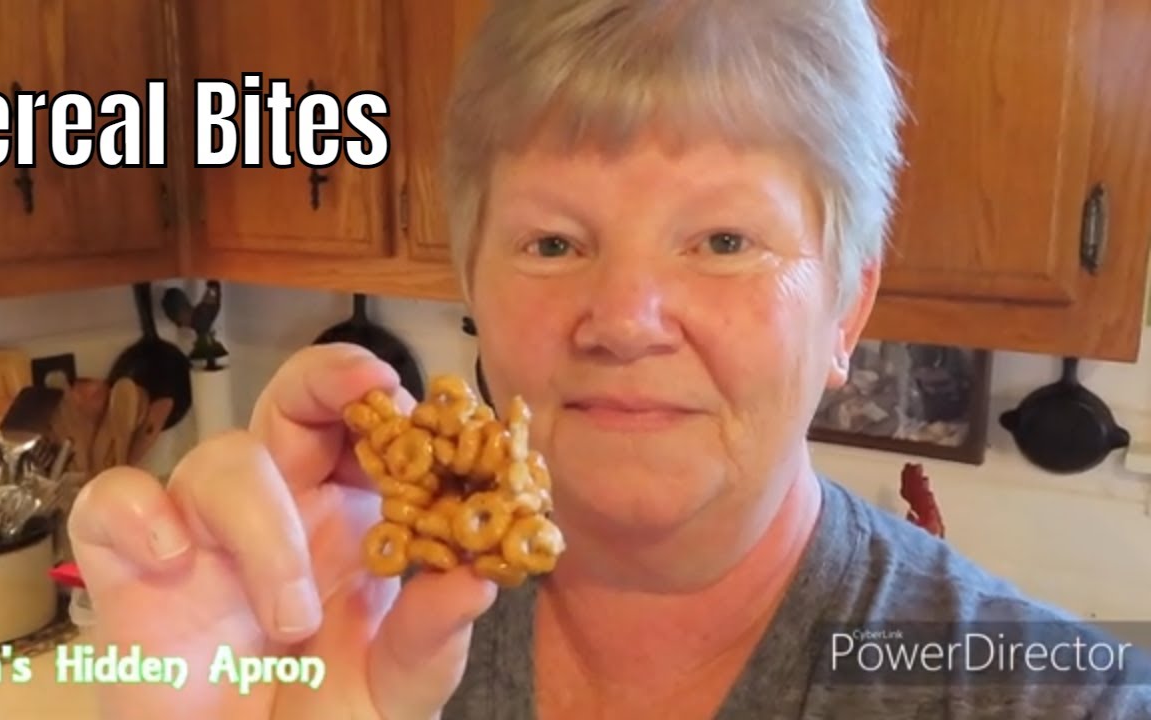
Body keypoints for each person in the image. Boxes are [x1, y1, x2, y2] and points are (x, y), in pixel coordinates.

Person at [69, 1, 1151, 718]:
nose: (626, 320)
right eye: (552, 243)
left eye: (723, 241)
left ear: (845, 310)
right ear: (472, 287)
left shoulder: (1061, 699)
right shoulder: (345, 627)